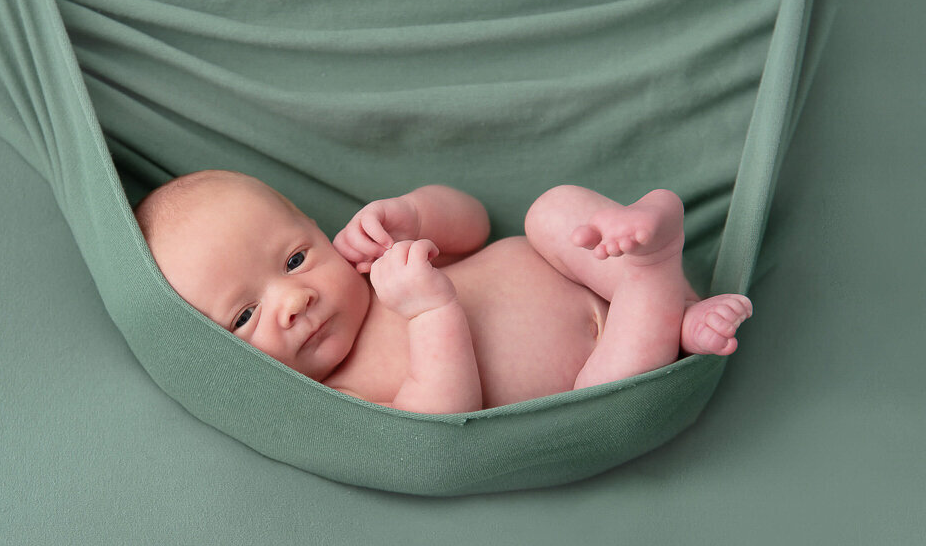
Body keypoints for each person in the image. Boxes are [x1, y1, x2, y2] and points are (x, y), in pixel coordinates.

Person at [135, 169, 752, 413]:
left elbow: (476, 225)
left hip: (589, 270)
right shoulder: (342, 396)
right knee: (605, 393)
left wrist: (415, 214)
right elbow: (441, 420)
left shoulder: (367, 264)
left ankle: (671, 299)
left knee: (549, 213)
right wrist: (430, 310)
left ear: (318, 232)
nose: (293, 300)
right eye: (245, 316)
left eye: (296, 259)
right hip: (606, 358)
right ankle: (660, 288)